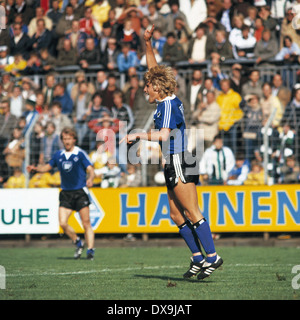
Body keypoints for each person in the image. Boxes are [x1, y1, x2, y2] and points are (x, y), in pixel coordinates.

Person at [120, 25, 223, 281]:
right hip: (173, 161)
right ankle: (198, 258)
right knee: (176, 214)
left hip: (179, 160)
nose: (145, 89)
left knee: (192, 211)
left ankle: (212, 256)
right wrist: (147, 43)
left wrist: (137, 135)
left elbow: (164, 136)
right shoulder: (168, 97)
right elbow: (154, 70)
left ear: (158, 89)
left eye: (148, 87)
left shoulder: (166, 104)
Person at [27, 127, 95, 260]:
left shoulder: (80, 153)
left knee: (86, 223)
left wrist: (91, 178)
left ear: (74, 139)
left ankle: (90, 250)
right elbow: (47, 167)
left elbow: (90, 169)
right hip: (66, 193)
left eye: (69, 138)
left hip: (80, 191)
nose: (67, 141)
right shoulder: (58, 155)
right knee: (62, 223)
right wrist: (35, 169)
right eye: (64, 139)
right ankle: (78, 242)